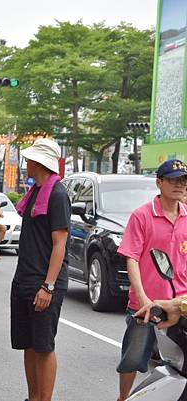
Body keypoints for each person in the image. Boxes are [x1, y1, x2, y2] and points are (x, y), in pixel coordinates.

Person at [115, 159, 187, 401]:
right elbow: (132, 258)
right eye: (173, 179)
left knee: (181, 365)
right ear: (159, 183)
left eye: (183, 180)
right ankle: (123, 397)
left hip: (180, 304)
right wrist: (144, 298)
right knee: (133, 359)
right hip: (146, 306)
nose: (179, 185)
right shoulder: (142, 216)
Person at [10, 138, 70, 401]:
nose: (26, 163)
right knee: (29, 344)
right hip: (24, 277)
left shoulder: (57, 195)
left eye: (29, 159)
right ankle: (32, 397)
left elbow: (60, 245)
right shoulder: (35, 191)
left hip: (44, 281)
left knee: (44, 346)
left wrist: (49, 286)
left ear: (39, 162)